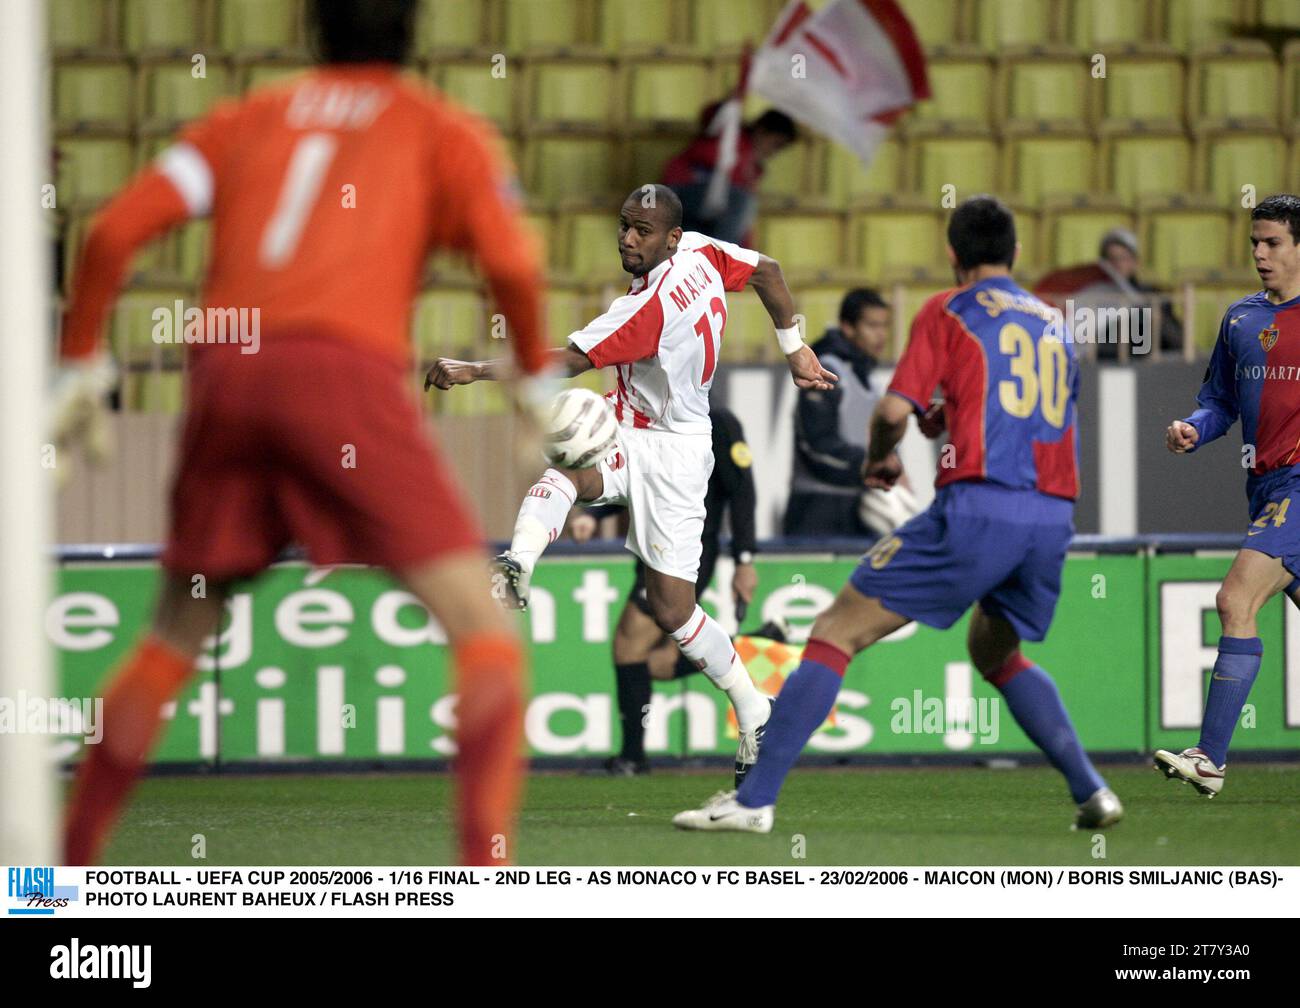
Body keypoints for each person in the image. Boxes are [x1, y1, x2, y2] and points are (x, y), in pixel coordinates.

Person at [57, 0, 548, 866]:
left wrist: (81, 363)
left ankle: (56, 881)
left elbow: (111, 231)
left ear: (310, 29)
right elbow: (511, 262)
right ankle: (485, 874)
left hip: (224, 378)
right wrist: (534, 378)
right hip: (342, 376)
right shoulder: (443, 130)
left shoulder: (243, 118)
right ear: (413, 29)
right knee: (484, 629)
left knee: (174, 633)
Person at [673, 195, 1124, 833]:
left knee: (834, 630)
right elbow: (1029, 414)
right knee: (996, 652)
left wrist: (878, 461)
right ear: (1016, 254)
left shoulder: (949, 308)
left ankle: (753, 802)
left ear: (951, 254)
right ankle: (1093, 792)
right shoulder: (1053, 321)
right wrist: (947, 417)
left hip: (979, 507)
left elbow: (889, 413)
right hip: (1051, 516)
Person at [426, 183, 836, 788]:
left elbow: (562, 361)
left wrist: (474, 370)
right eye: (624, 225)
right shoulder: (701, 252)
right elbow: (768, 272)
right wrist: (794, 346)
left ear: (671, 236)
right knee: (567, 459)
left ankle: (754, 708)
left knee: (674, 609)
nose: (628, 237)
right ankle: (517, 563)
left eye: (642, 230)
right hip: (633, 431)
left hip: (675, 456)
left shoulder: (648, 309)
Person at [1156, 193, 1300, 797]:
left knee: (1234, 598)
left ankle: (1209, 759)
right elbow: (1218, 400)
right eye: (1254, 243)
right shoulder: (1241, 319)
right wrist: (1195, 426)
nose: (1260, 254)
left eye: (1272, 243)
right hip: (1266, 487)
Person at [570, 401, 759, 774]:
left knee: (628, 643)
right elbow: (634, 483)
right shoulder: (647, 423)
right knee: (649, 664)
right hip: (652, 549)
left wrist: (745, 560)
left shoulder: (718, 422)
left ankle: (632, 757)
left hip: (686, 552)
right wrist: (592, 515)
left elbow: (742, 492)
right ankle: (749, 646)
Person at [784, 287, 928, 539]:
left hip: (858, 510)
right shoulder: (826, 372)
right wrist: (870, 463)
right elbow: (817, 446)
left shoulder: (869, 382)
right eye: (872, 326)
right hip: (817, 512)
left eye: (884, 326)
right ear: (848, 327)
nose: (881, 335)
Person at [1033, 227, 1183, 358]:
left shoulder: (1151, 293)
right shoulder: (1094, 287)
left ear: (1135, 262)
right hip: (1102, 351)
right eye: (1112, 259)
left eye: (1123, 258)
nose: (1117, 265)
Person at [662, 107, 797, 245]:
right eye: (775, 144)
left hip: (700, 214)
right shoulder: (730, 135)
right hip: (680, 193)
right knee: (740, 200)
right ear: (761, 131)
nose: (774, 152)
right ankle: (724, 259)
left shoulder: (753, 169)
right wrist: (735, 98)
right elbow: (711, 115)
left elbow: (741, 223)